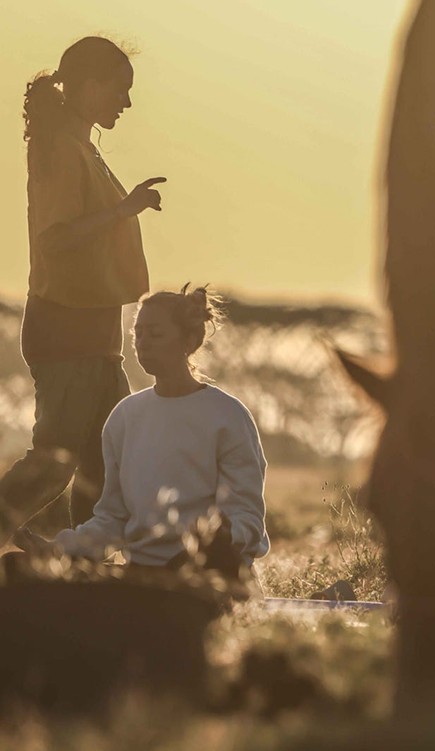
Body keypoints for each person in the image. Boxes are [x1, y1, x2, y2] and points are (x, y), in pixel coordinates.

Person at [0, 37, 166, 539]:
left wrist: (123, 208)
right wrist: (124, 209)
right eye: (120, 89)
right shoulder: (59, 149)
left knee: (109, 464)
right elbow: (54, 240)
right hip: (65, 330)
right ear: (90, 86)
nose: (127, 102)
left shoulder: (82, 149)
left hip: (97, 337)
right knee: (55, 463)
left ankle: (86, 563)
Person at [14, 286, 268, 571]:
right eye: (138, 333)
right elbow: (113, 520)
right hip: (143, 576)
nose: (143, 343)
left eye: (156, 334)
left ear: (189, 340)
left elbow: (247, 519)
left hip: (210, 576)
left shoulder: (228, 415)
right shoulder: (125, 416)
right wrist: (58, 550)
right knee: (16, 568)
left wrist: (205, 549)